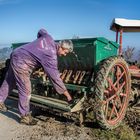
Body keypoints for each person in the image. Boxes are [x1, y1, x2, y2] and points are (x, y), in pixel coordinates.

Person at [0, 29, 73, 125]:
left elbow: (41, 30)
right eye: (65, 52)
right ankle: (25, 117)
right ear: (62, 47)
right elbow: (55, 78)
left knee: (9, 80)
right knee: (25, 89)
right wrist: (68, 96)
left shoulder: (48, 38)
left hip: (16, 53)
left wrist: (38, 44)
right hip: (22, 63)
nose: (64, 55)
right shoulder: (51, 57)